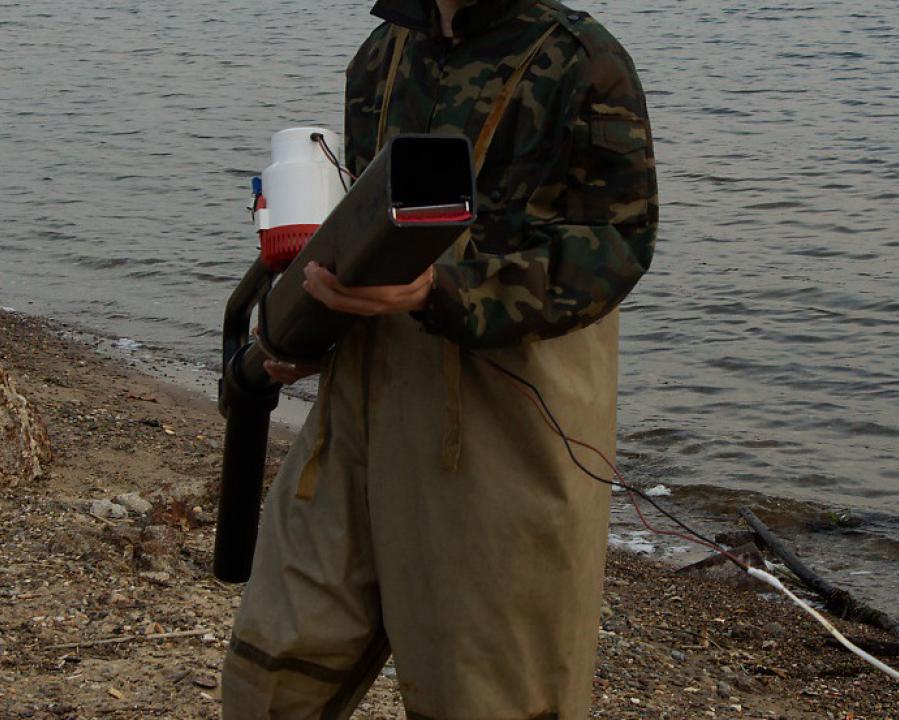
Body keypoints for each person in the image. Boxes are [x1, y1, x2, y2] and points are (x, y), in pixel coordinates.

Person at [221, 0, 658, 717]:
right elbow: (363, 222)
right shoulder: (382, 54)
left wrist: (445, 290)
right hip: (358, 411)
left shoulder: (584, 61)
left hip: (502, 429)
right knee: (274, 670)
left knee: (490, 692)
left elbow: (615, 247)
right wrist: (306, 327)